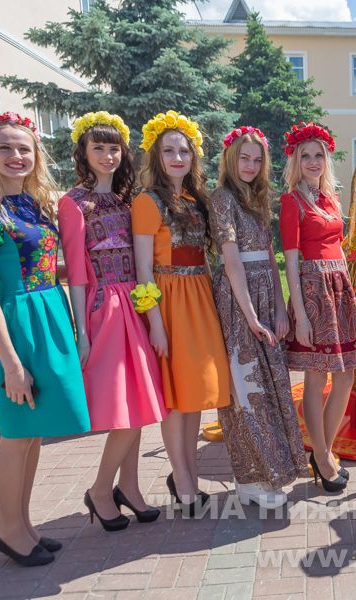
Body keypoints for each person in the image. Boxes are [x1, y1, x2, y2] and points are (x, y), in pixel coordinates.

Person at [0, 112, 90, 566]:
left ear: (36, 154)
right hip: (18, 325)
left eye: (23, 148)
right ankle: (8, 529)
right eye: (5, 148)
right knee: (16, 433)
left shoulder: (36, 204)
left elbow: (53, 265)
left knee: (34, 432)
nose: (16, 156)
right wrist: (12, 363)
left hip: (50, 315)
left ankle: (22, 524)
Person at [59, 112, 166, 530]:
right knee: (124, 408)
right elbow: (76, 273)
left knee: (139, 403)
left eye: (114, 148)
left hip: (135, 305)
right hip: (103, 307)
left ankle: (130, 487)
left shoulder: (127, 200)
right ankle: (101, 489)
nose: (107, 155)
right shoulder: (73, 203)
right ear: (84, 153)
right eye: (98, 147)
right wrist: (81, 332)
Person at [131, 110, 230, 514]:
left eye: (184, 151)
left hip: (198, 296)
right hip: (168, 300)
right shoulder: (146, 201)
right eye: (169, 151)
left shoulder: (195, 199)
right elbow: (142, 270)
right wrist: (155, 322)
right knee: (175, 397)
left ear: (193, 157)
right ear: (156, 156)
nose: (177, 157)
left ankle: (186, 473)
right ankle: (183, 479)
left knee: (193, 394)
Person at [209, 126, 307, 508]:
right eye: (243, 158)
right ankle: (250, 477)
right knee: (246, 385)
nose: (250, 166)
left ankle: (273, 471)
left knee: (272, 386)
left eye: (256, 159)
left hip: (266, 291)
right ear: (231, 159)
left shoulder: (259, 198)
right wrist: (250, 316)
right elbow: (231, 261)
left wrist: (280, 308)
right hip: (239, 298)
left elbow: (269, 254)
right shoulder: (222, 198)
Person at [280, 122, 356, 493]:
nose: (313, 162)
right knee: (316, 379)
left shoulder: (330, 198)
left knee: (346, 376)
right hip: (313, 291)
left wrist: (349, 295)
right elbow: (290, 262)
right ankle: (320, 455)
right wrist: (300, 315)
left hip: (340, 290)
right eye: (306, 156)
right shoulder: (291, 202)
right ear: (296, 161)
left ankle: (325, 451)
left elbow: (340, 248)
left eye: (319, 155)